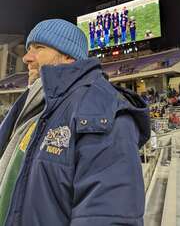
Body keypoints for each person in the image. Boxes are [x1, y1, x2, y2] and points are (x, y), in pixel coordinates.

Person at [0, 19, 150, 226]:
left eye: (39, 48)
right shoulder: (32, 106)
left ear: (68, 55)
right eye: (28, 49)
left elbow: (107, 217)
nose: (26, 58)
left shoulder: (101, 108)